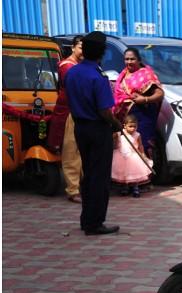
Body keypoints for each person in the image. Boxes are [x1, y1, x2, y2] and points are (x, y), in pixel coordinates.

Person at [65, 31, 122, 235]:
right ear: (102, 53)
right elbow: (104, 110)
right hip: (97, 128)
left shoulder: (72, 72)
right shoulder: (98, 77)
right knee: (99, 176)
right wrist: (116, 124)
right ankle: (95, 222)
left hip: (80, 127)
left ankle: (86, 219)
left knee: (88, 174)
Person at [48, 35, 84, 203]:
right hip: (70, 113)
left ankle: (80, 186)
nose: (83, 51)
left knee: (81, 152)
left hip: (81, 112)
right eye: (81, 48)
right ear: (73, 48)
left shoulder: (80, 66)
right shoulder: (67, 66)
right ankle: (73, 190)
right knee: (71, 152)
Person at [113, 48, 165, 158]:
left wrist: (145, 99)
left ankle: (146, 174)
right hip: (125, 120)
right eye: (126, 59)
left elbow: (160, 94)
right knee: (126, 148)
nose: (129, 62)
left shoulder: (146, 74)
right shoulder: (123, 74)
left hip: (142, 118)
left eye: (132, 59)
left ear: (139, 60)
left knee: (142, 146)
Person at [111, 114, 152, 197]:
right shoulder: (120, 134)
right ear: (124, 126)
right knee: (124, 173)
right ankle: (125, 187)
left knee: (135, 173)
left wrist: (143, 154)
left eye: (135, 126)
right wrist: (115, 136)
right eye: (130, 126)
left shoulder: (137, 135)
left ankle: (135, 188)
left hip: (133, 156)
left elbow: (140, 145)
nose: (133, 128)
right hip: (121, 156)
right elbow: (112, 141)